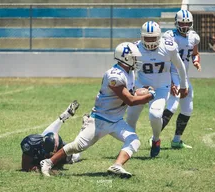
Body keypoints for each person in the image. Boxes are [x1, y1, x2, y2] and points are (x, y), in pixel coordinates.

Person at [40, 42, 156, 178]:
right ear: (126, 57)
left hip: (116, 120)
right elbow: (130, 100)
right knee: (77, 146)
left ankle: (117, 166)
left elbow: (130, 92)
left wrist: (143, 91)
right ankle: (47, 162)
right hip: (99, 120)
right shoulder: (114, 76)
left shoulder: (129, 72)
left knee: (134, 140)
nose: (137, 60)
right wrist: (149, 96)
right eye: (134, 57)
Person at [126, 21, 188, 158]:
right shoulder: (135, 48)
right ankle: (129, 145)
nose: (150, 41)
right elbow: (129, 70)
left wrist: (183, 85)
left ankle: (156, 139)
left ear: (159, 36)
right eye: (147, 38)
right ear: (142, 37)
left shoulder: (168, 47)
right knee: (130, 119)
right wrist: (131, 88)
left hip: (161, 87)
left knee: (155, 115)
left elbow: (180, 66)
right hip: (141, 86)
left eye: (153, 38)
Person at [159, 9, 201, 149]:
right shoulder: (169, 36)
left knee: (187, 108)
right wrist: (170, 81)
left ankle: (176, 140)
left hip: (184, 76)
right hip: (172, 74)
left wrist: (196, 61)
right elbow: (165, 59)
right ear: (176, 23)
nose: (185, 26)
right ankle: (154, 137)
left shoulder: (194, 37)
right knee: (172, 105)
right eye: (182, 23)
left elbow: (195, 53)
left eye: (187, 23)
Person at [20, 100, 80, 172]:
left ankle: (83, 131)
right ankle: (65, 115)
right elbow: (25, 165)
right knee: (47, 135)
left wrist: (51, 166)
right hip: (45, 139)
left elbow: (56, 167)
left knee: (76, 154)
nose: (49, 155)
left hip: (61, 148)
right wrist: (35, 168)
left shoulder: (64, 154)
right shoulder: (32, 142)